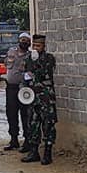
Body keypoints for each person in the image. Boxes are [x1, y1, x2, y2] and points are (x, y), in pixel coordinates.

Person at [21, 34, 57, 166]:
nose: (35, 47)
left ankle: (47, 153)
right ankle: (33, 152)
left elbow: (44, 73)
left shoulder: (49, 58)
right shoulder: (28, 58)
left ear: (43, 46)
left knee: (48, 125)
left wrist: (36, 61)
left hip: (46, 97)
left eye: (38, 45)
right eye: (34, 45)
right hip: (33, 98)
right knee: (33, 124)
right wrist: (24, 89)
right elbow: (25, 76)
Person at [3, 32, 32, 152]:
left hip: (24, 89)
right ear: (18, 40)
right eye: (22, 39)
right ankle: (13, 139)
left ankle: (27, 141)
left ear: (29, 42)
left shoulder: (30, 56)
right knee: (11, 114)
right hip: (11, 88)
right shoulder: (11, 52)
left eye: (26, 40)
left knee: (25, 115)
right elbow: (6, 64)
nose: (24, 42)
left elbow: (31, 72)